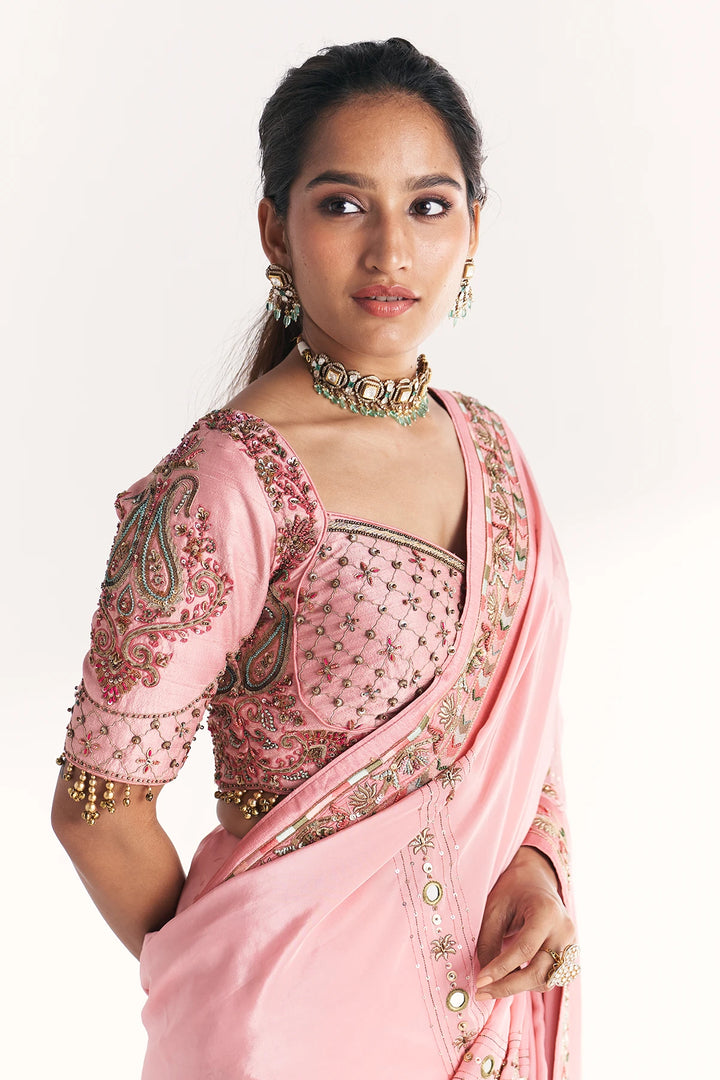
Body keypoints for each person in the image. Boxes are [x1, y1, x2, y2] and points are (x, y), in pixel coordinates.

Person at [52, 38, 580, 1080]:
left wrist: (536, 861)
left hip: (485, 1014)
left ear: (474, 229)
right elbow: (98, 809)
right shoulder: (228, 481)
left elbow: (518, 721)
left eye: (429, 206)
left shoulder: (493, 449)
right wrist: (233, 959)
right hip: (290, 1036)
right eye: (343, 205)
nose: (391, 251)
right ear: (274, 231)